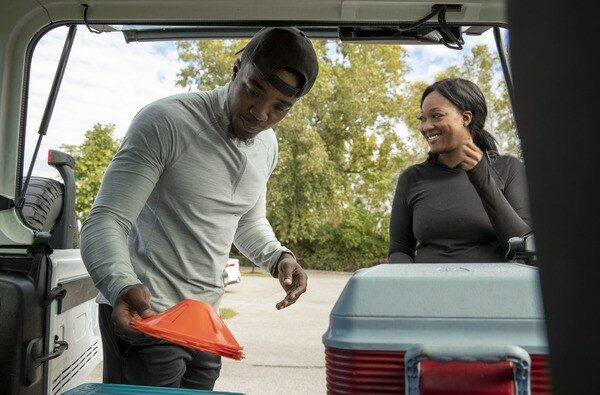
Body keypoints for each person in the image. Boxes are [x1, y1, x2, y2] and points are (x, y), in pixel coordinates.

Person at [80, 27, 318, 389]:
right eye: (253, 91)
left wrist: (278, 256)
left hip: (205, 324)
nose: (260, 113)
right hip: (147, 313)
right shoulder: (166, 122)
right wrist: (120, 285)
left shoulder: (267, 146)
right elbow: (105, 221)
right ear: (237, 69)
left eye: (279, 107)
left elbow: (248, 221)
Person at [388, 78, 532, 263]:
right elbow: (399, 250)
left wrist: (483, 181)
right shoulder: (411, 178)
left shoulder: (508, 169)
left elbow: (525, 247)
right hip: (425, 289)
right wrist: (410, 285)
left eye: (436, 116)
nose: (425, 127)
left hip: (492, 289)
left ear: (466, 118)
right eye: (422, 119)